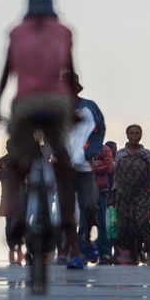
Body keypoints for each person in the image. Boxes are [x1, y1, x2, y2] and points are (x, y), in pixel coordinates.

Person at [0, 0, 83, 271]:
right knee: (62, 158)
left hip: (25, 104)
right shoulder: (64, 32)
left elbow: (6, 72)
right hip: (56, 102)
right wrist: (73, 107)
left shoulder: (16, 33)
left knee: (17, 163)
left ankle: (17, 216)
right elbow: (69, 71)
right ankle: (66, 218)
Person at [65, 74, 104, 263]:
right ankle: (74, 250)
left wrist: (90, 152)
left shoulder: (89, 107)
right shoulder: (56, 110)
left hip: (85, 167)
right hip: (64, 168)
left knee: (90, 205)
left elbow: (100, 130)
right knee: (68, 211)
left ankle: (87, 237)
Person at [112, 125, 150, 263]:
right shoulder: (120, 154)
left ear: (141, 135)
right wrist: (112, 193)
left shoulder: (146, 154)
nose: (134, 136)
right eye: (131, 133)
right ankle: (132, 254)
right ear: (127, 135)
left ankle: (139, 249)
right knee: (125, 225)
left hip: (142, 194)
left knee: (141, 222)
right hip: (123, 194)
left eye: (137, 133)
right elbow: (115, 175)